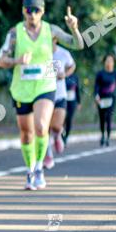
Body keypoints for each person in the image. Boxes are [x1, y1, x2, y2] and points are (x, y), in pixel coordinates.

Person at [0, 0, 84, 190]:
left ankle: (38, 168)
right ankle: (29, 170)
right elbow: (1, 60)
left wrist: (74, 27)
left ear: (42, 12)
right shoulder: (15, 33)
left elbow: (78, 44)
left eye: (36, 10)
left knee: (41, 126)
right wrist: (17, 60)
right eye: (28, 10)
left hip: (45, 85)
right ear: (23, 11)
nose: (32, 14)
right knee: (26, 133)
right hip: (22, 88)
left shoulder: (51, 30)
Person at [44, 39, 76, 169]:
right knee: (44, 128)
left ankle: (57, 135)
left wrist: (65, 74)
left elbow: (72, 65)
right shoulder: (40, 53)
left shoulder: (64, 53)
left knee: (56, 126)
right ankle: (48, 155)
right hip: (44, 95)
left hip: (60, 95)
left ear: (55, 39)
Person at [94, 55, 116, 146]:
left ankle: (108, 137)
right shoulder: (100, 73)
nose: (109, 62)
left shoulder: (115, 74)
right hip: (101, 99)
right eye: (107, 61)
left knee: (108, 117)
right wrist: (96, 96)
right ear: (104, 62)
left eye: (111, 61)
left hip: (111, 99)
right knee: (102, 118)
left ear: (113, 63)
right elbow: (96, 86)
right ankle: (102, 135)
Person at [62, 72, 81, 145]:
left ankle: (66, 137)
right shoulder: (61, 74)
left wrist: (79, 102)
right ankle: (61, 135)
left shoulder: (75, 76)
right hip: (63, 100)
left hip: (72, 101)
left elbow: (77, 89)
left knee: (69, 119)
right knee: (62, 119)